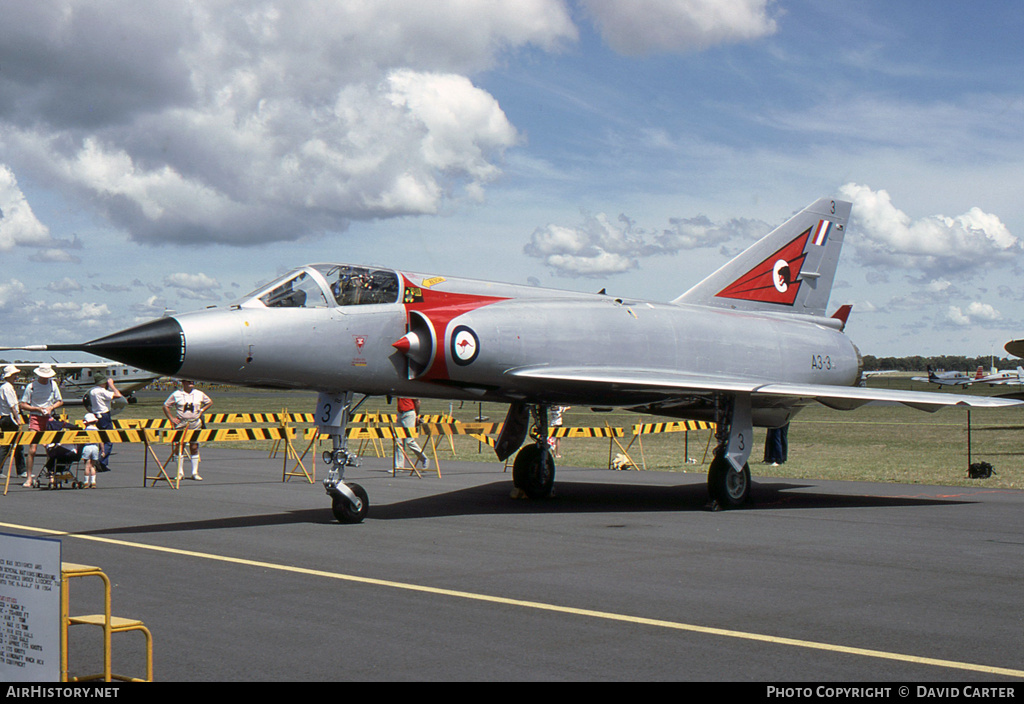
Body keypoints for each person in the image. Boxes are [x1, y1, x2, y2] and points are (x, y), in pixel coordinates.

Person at [20, 364, 63, 487]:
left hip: (48, 418)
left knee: (50, 449)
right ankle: (29, 477)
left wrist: (51, 407)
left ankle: (51, 474)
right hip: (35, 417)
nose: (45, 379)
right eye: (43, 377)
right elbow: (23, 404)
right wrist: (36, 409)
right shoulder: (31, 386)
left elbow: (60, 401)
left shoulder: (53, 384)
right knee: (32, 449)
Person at [163, 379, 213, 480]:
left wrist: (202, 410)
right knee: (180, 446)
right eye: (189, 382)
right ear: (183, 383)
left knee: (194, 446)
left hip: (195, 422)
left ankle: (195, 473)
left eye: (193, 382)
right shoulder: (177, 394)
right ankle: (180, 473)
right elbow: (166, 405)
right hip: (181, 422)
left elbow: (209, 402)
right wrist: (171, 418)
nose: (191, 383)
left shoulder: (199, 393)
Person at [87, 375, 122, 470]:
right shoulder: (102, 391)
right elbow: (118, 395)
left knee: (100, 438)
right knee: (108, 439)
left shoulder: (92, 391)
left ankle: (98, 461)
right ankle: (101, 460)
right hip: (104, 415)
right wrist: (112, 385)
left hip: (96, 414)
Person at [0, 365, 26, 479]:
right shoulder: (7, 388)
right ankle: (20, 470)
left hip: (6, 417)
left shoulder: (7, 387)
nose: (16, 377)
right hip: (9, 418)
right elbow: (12, 406)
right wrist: (18, 419)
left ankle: (21, 470)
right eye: (14, 375)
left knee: (15, 445)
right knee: (10, 445)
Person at [394, 397, 429, 471]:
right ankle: (399, 466)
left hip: (409, 413)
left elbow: (417, 402)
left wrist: (416, 415)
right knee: (398, 441)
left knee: (409, 440)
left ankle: (424, 459)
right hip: (400, 413)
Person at [79, 413, 101, 488]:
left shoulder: (85, 430)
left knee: (87, 465)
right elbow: (101, 441)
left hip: (87, 447)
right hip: (95, 447)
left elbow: (82, 441)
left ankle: (86, 482)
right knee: (92, 466)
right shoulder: (97, 430)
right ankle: (93, 481)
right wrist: (103, 450)